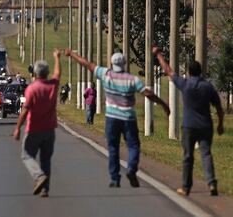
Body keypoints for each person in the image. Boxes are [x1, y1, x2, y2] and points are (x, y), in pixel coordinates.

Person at [66, 49, 170, 188]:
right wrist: (163, 104)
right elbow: (147, 93)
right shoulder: (132, 79)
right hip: (128, 118)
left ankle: (115, 178)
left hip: (112, 119)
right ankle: (131, 169)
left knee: (113, 148)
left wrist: (72, 54)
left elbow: (87, 64)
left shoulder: (106, 74)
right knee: (133, 146)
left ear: (112, 63)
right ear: (125, 63)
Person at [152, 46, 225, 196]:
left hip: (189, 126)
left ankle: (186, 187)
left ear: (189, 72)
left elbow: (169, 71)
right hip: (206, 126)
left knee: (188, 156)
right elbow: (218, 107)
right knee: (206, 154)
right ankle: (211, 183)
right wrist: (220, 124)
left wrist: (158, 54)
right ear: (200, 72)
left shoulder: (185, 84)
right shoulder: (208, 87)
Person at [13, 49, 61, 198]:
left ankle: (39, 176)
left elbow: (25, 111)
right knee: (46, 159)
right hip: (49, 130)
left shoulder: (32, 89)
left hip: (33, 129)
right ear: (46, 73)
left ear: (34, 73)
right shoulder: (52, 85)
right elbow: (58, 74)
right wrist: (57, 57)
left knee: (26, 155)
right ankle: (45, 189)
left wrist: (17, 128)